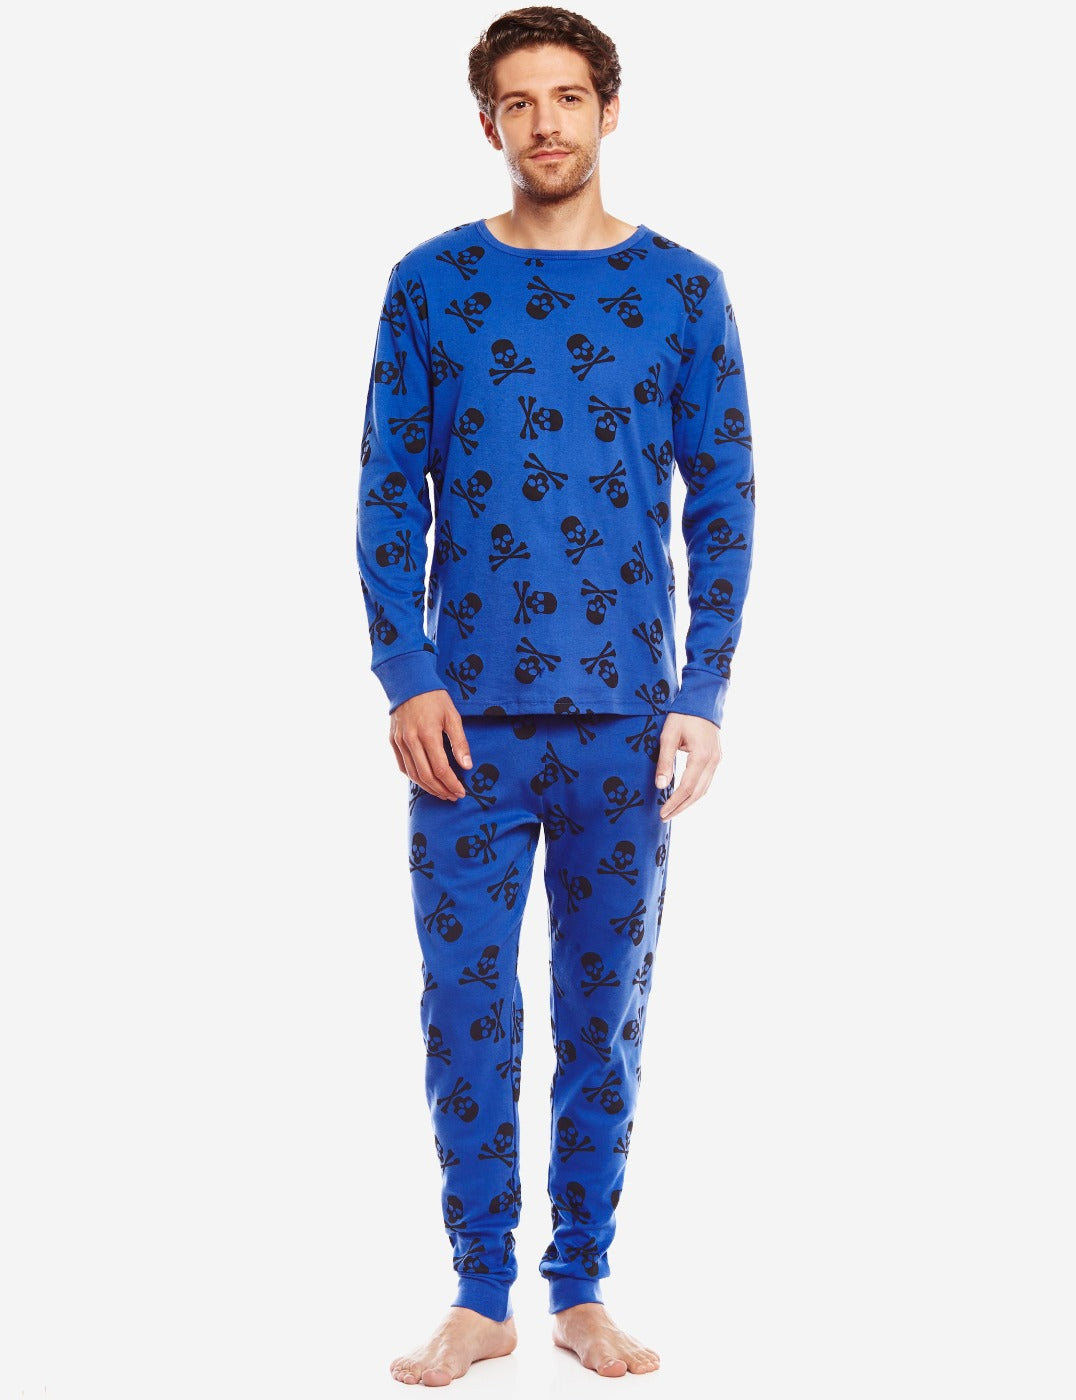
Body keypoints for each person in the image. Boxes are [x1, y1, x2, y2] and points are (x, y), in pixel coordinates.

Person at [355, 5, 756, 1384]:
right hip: (463, 730)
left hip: (627, 729)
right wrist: (405, 671)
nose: (545, 123)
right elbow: (384, 493)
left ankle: (580, 1286)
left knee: (604, 1018)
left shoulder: (684, 291)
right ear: (488, 123)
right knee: (465, 1013)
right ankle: (481, 1295)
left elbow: (726, 500)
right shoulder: (432, 284)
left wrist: (703, 688)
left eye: (569, 97)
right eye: (519, 101)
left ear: (609, 110)